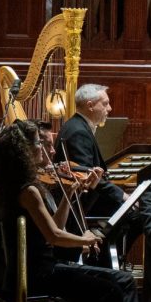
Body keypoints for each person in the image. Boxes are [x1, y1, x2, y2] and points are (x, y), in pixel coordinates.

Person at [0, 120, 139, 302]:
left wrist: (68, 195)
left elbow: (55, 227)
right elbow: (54, 236)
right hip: (36, 274)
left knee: (109, 289)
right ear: (24, 150)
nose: (44, 149)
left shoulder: (16, 187)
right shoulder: (29, 191)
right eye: (38, 143)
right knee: (108, 292)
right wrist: (86, 240)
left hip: (36, 269)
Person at [56, 83, 126, 216]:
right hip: (82, 205)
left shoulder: (77, 125)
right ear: (90, 106)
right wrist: (122, 195)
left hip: (87, 199)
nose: (109, 108)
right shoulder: (78, 132)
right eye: (105, 104)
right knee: (134, 214)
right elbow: (87, 177)